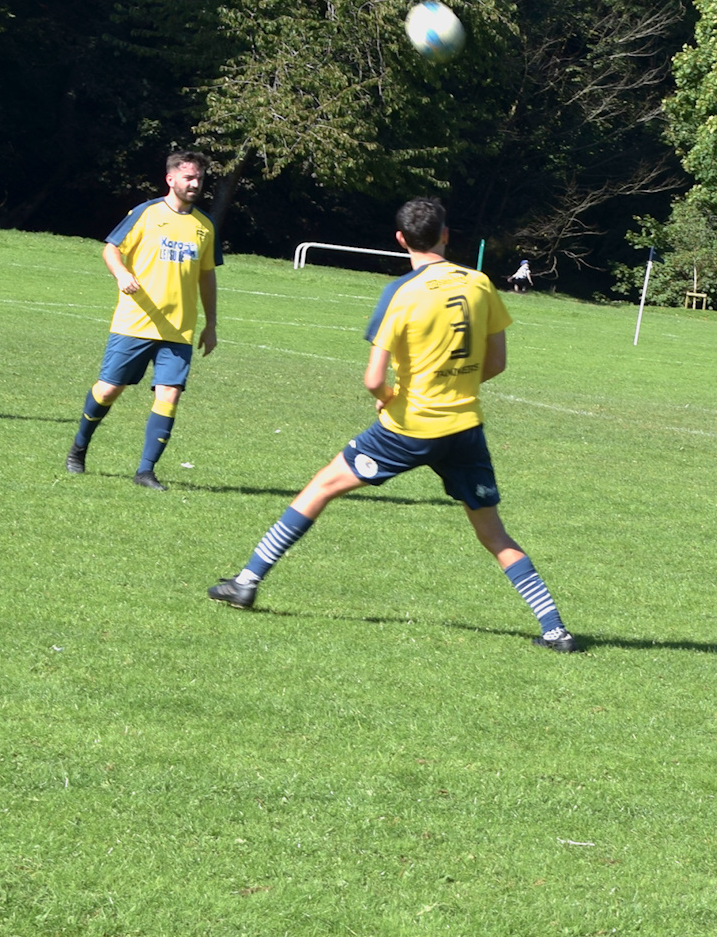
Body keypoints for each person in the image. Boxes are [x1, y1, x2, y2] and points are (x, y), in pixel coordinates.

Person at [208, 198, 576, 650]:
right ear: (445, 234)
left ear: (400, 240)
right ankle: (554, 629)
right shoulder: (480, 283)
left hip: (409, 427)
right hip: (464, 428)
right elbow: (496, 362)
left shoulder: (402, 293)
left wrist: (389, 400)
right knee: (493, 532)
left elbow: (373, 379)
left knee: (321, 487)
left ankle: (247, 581)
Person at [64, 150, 220, 487]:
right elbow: (111, 248)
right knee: (107, 391)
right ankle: (79, 445)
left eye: (199, 179)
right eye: (189, 177)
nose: (195, 184)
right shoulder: (146, 213)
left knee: (170, 395)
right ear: (171, 179)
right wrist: (121, 274)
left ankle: (145, 471)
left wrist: (211, 324)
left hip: (179, 328)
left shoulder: (204, 226)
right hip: (135, 322)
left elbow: (207, 276)